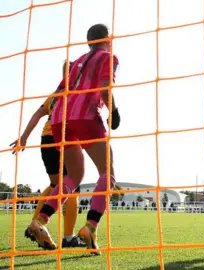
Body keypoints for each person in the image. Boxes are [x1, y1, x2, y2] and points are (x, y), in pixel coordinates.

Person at [26, 23, 121, 254]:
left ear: (89, 41)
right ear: (108, 38)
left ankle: (39, 222)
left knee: (73, 177)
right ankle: (90, 227)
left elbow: (59, 94)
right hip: (85, 115)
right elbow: (105, 87)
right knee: (107, 174)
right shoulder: (109, 56)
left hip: (59, 119)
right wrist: (114, 111)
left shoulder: (76, 62)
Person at [10, 61, 85, 248]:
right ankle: (68, 238)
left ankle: (35, 224)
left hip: (46, 140)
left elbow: (37, 114)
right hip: (63, 140)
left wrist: (24, 137)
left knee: (56, 186)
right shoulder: (78, 93)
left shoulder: (54, 95)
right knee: (71, 187)